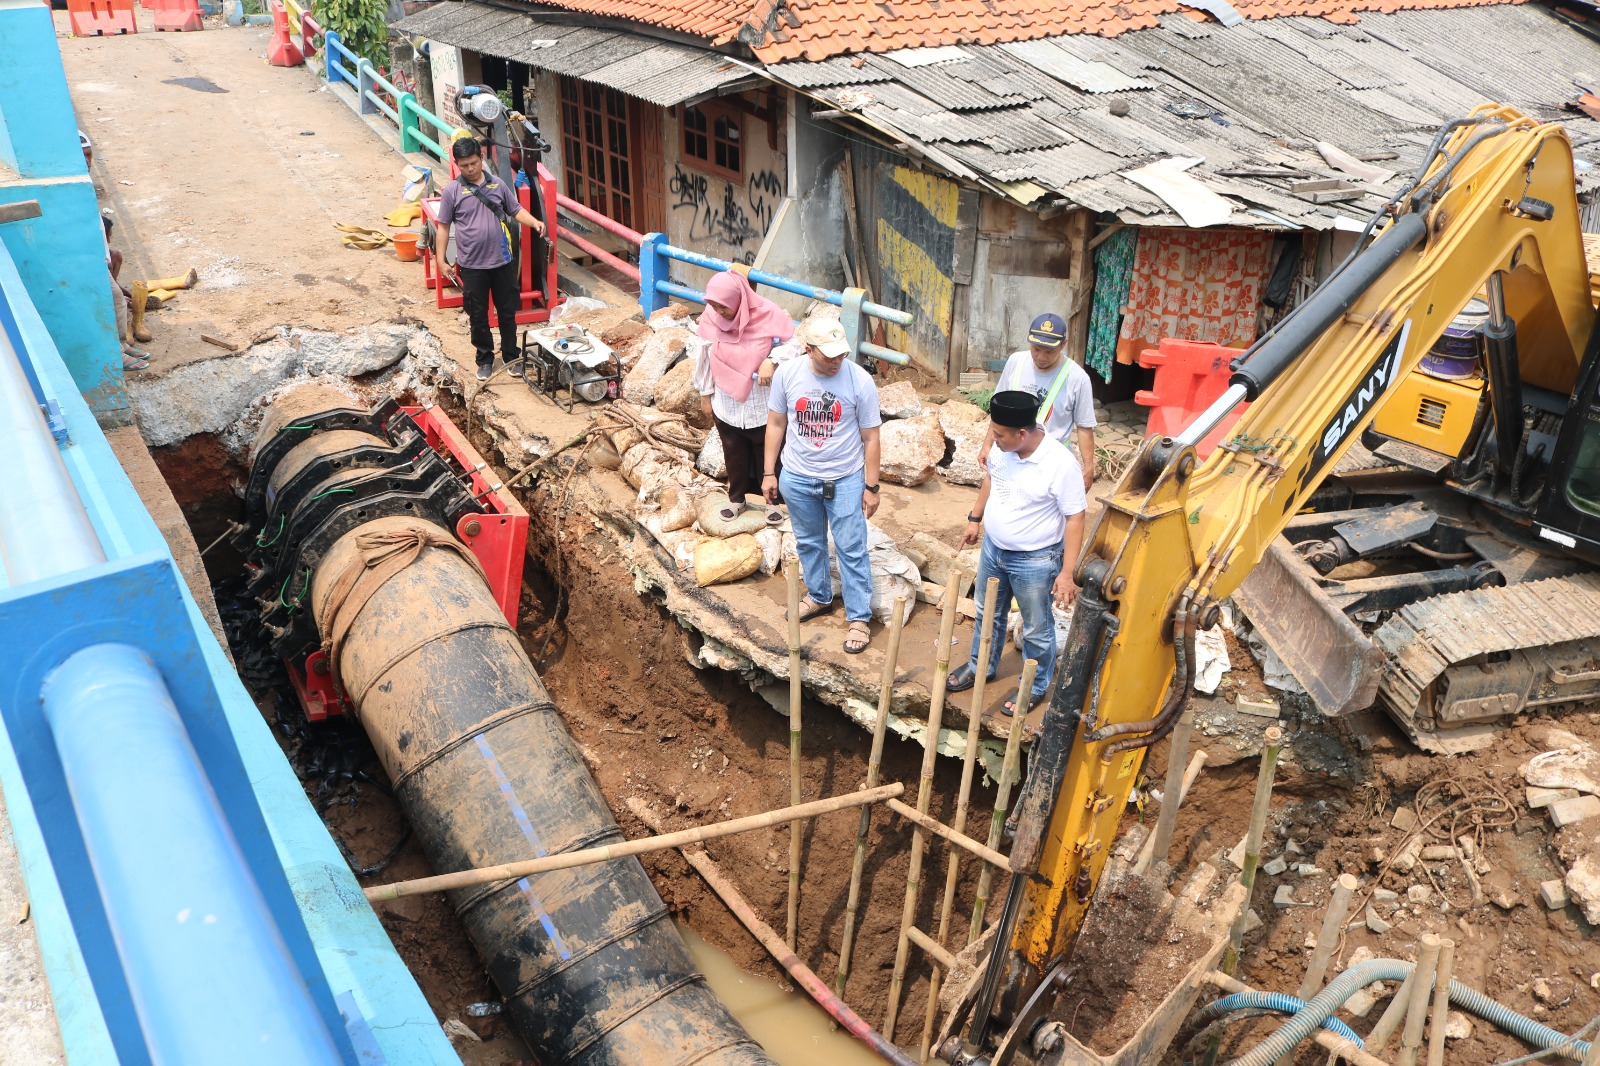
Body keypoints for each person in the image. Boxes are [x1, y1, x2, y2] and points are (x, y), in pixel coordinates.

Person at [950, 390, 1087, 714]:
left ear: (1022, 433)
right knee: (987, 613)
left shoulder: (1060, 464)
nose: (992, 440)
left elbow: (1075, 517)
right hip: (993, 550)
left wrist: (1067, 573)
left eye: (998, 434)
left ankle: (1034, 686)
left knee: (1036, 625)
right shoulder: (1002, 448)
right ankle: (980, 665)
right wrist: (975, 518)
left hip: (1035, 561)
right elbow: (991, 480)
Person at [763, 317, 882, 655]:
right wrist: (769, 472)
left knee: (851, 546)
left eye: (840, 355)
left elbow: (871, 437)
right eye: (828, 356)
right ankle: (818, 596)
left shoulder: (859, 381)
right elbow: (775, 423)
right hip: (798, 477)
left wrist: (871, 487)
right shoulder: (788, 374)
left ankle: (859, 616)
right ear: (808, 350)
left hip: (844, 478)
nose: (836, 362)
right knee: (809, 542)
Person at [436, 136, 547, 381]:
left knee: (507, 312)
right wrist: (441, 260)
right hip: (472, 265)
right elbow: (443, 227)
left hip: (502, 262)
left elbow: (515, 210)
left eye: (473, 163)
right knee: (477, 316)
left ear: (481, 159)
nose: (470, 169)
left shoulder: (497, 185)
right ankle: (484, 359)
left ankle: (510, 356)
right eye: (464, 165)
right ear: (457, 164)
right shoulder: (452, 191)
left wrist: (535, 223)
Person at [693, 270, 798, 520]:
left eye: (723, 306)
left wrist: (771, 360)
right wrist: (705, 395)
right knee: (734, 453)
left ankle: (773, 503)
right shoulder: (711, 317)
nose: (719, 312)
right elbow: (704, 355)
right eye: (714, 305)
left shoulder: (768, 313)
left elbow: (792, 344)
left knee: (769, 454)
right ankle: (737, 499)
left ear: (739, 299)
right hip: (727, 403)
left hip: (761, 404)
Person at [979, 313, 1097, 493]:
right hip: (1011, 456)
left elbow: (1084, 427)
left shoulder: (1077, 378)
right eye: (1036, 349)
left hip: (1051, 463)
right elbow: (999, 413)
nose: (1041, 356)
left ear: (1063, 345)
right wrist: (988, 445)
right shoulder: (1016, 362)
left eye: (1049, 351)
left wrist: (1088, 468)